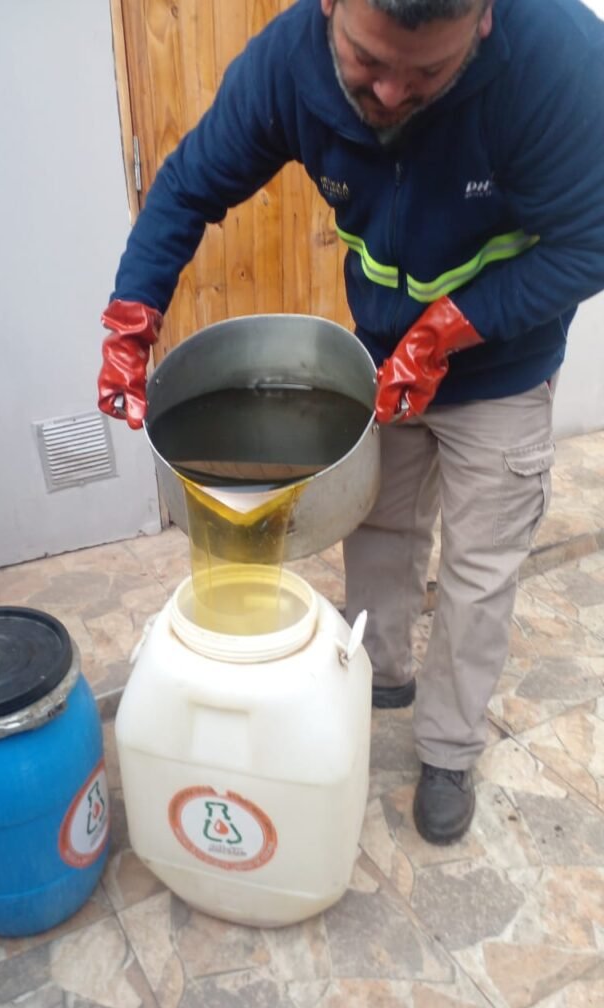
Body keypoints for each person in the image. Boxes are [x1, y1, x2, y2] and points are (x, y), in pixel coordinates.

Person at [97, 0, 604, 844]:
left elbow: (590, 243)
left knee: (480, 569)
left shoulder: (563, 61)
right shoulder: (286, 64)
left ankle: (448, 748)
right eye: (369, 62)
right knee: (377, 526)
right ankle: (380, 674)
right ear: (331, 2)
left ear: (483, 20)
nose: (393, 93)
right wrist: (131, 315)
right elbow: (188, 187)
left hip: (504, 369)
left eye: (428, 72)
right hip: (378, 358)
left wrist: (453, 329)